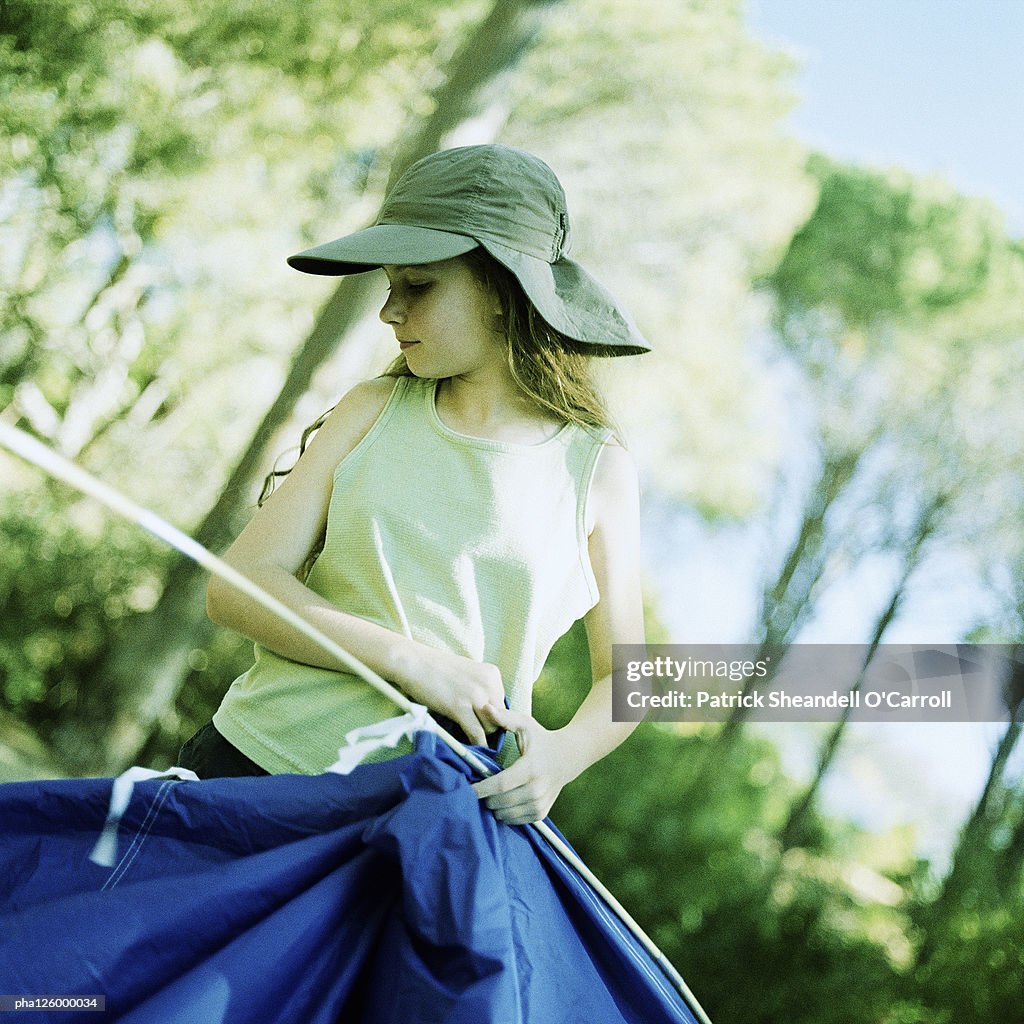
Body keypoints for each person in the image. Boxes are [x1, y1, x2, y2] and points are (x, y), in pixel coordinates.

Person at [179, 143, 650, 827]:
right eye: (390, 285)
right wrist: (409, 661)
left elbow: (627, 680)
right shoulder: (371, 409)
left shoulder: (598, 470)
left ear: (500, 288)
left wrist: (558, 759)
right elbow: (238, 586)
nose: (389, 311)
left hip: (422, 823)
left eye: (419, 286)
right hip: (252, 769)